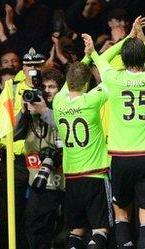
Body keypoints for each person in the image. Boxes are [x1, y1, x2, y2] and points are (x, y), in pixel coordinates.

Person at [93, 16, 145, 249]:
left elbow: (101, 58)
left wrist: (129, 37)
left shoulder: (114, 78)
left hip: (119, 156)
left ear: (123, 58)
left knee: (121, 213)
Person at [53, 41, 111, 248]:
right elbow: (109, 78)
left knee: (76, 231)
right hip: (95, 174)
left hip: (72, 177)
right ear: (87, 84)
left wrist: (84, 58)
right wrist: (94, 54)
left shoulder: (57, 102)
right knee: (100, 229)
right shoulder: (91, 101)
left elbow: (70, 82)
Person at [16, 67, 66, 249]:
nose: (47, 91)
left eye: (52, 87)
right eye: (44, 87)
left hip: (62, 180)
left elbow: (66, 130)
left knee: (63, 230)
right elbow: (13, 134)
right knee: (35, 226)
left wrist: (45, 111)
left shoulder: (65, 107)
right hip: (38, 180)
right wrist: (24, 112)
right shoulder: (32, 112)